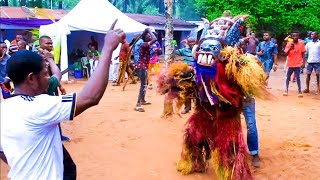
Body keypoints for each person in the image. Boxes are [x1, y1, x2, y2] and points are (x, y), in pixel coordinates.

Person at [0, 19, 125, 179]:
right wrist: (107, 48)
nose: (49, 78)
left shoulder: (4, 109)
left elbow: (3, 151)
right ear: (31, 78)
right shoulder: (39, 106)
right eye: (45, 74)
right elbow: (90, 97)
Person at [134, 28, 157, 112]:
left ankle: (142, 100)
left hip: (143, 67)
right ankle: (138, 104)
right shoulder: (144, 44)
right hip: (141, 67)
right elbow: (155, 38)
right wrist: (148, 30)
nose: (150, 36)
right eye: (148, 35)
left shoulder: (146, 44)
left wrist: (147, 32)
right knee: (143, 85)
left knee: (145, 83)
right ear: (145, 37)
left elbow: (154, 38)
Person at [175, 37, 196, 114]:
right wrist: (174, 44)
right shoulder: (184, 50)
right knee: (187, 90)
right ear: (188, 43)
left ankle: (198, 109)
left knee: (197, 91)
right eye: (190, 42)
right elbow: (174, 52)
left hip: (197, 73)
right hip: (186, 73)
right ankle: (187, 108)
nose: (192, 43)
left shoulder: (198, 50)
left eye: (193, 42)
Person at [283, 31, 305, 97]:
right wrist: (290, 48)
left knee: (298, 78)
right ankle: (286, 90)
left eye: (296, 36)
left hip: (298, 64)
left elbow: (303, 53)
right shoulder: (289, 44)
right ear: (291, 37)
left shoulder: (301, 43)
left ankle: (300, 91)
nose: (295, 37)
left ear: (298, 36)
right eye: (294, 36)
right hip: (290, 64)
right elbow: (285, 54)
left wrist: (303, 62)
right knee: (288, 77)